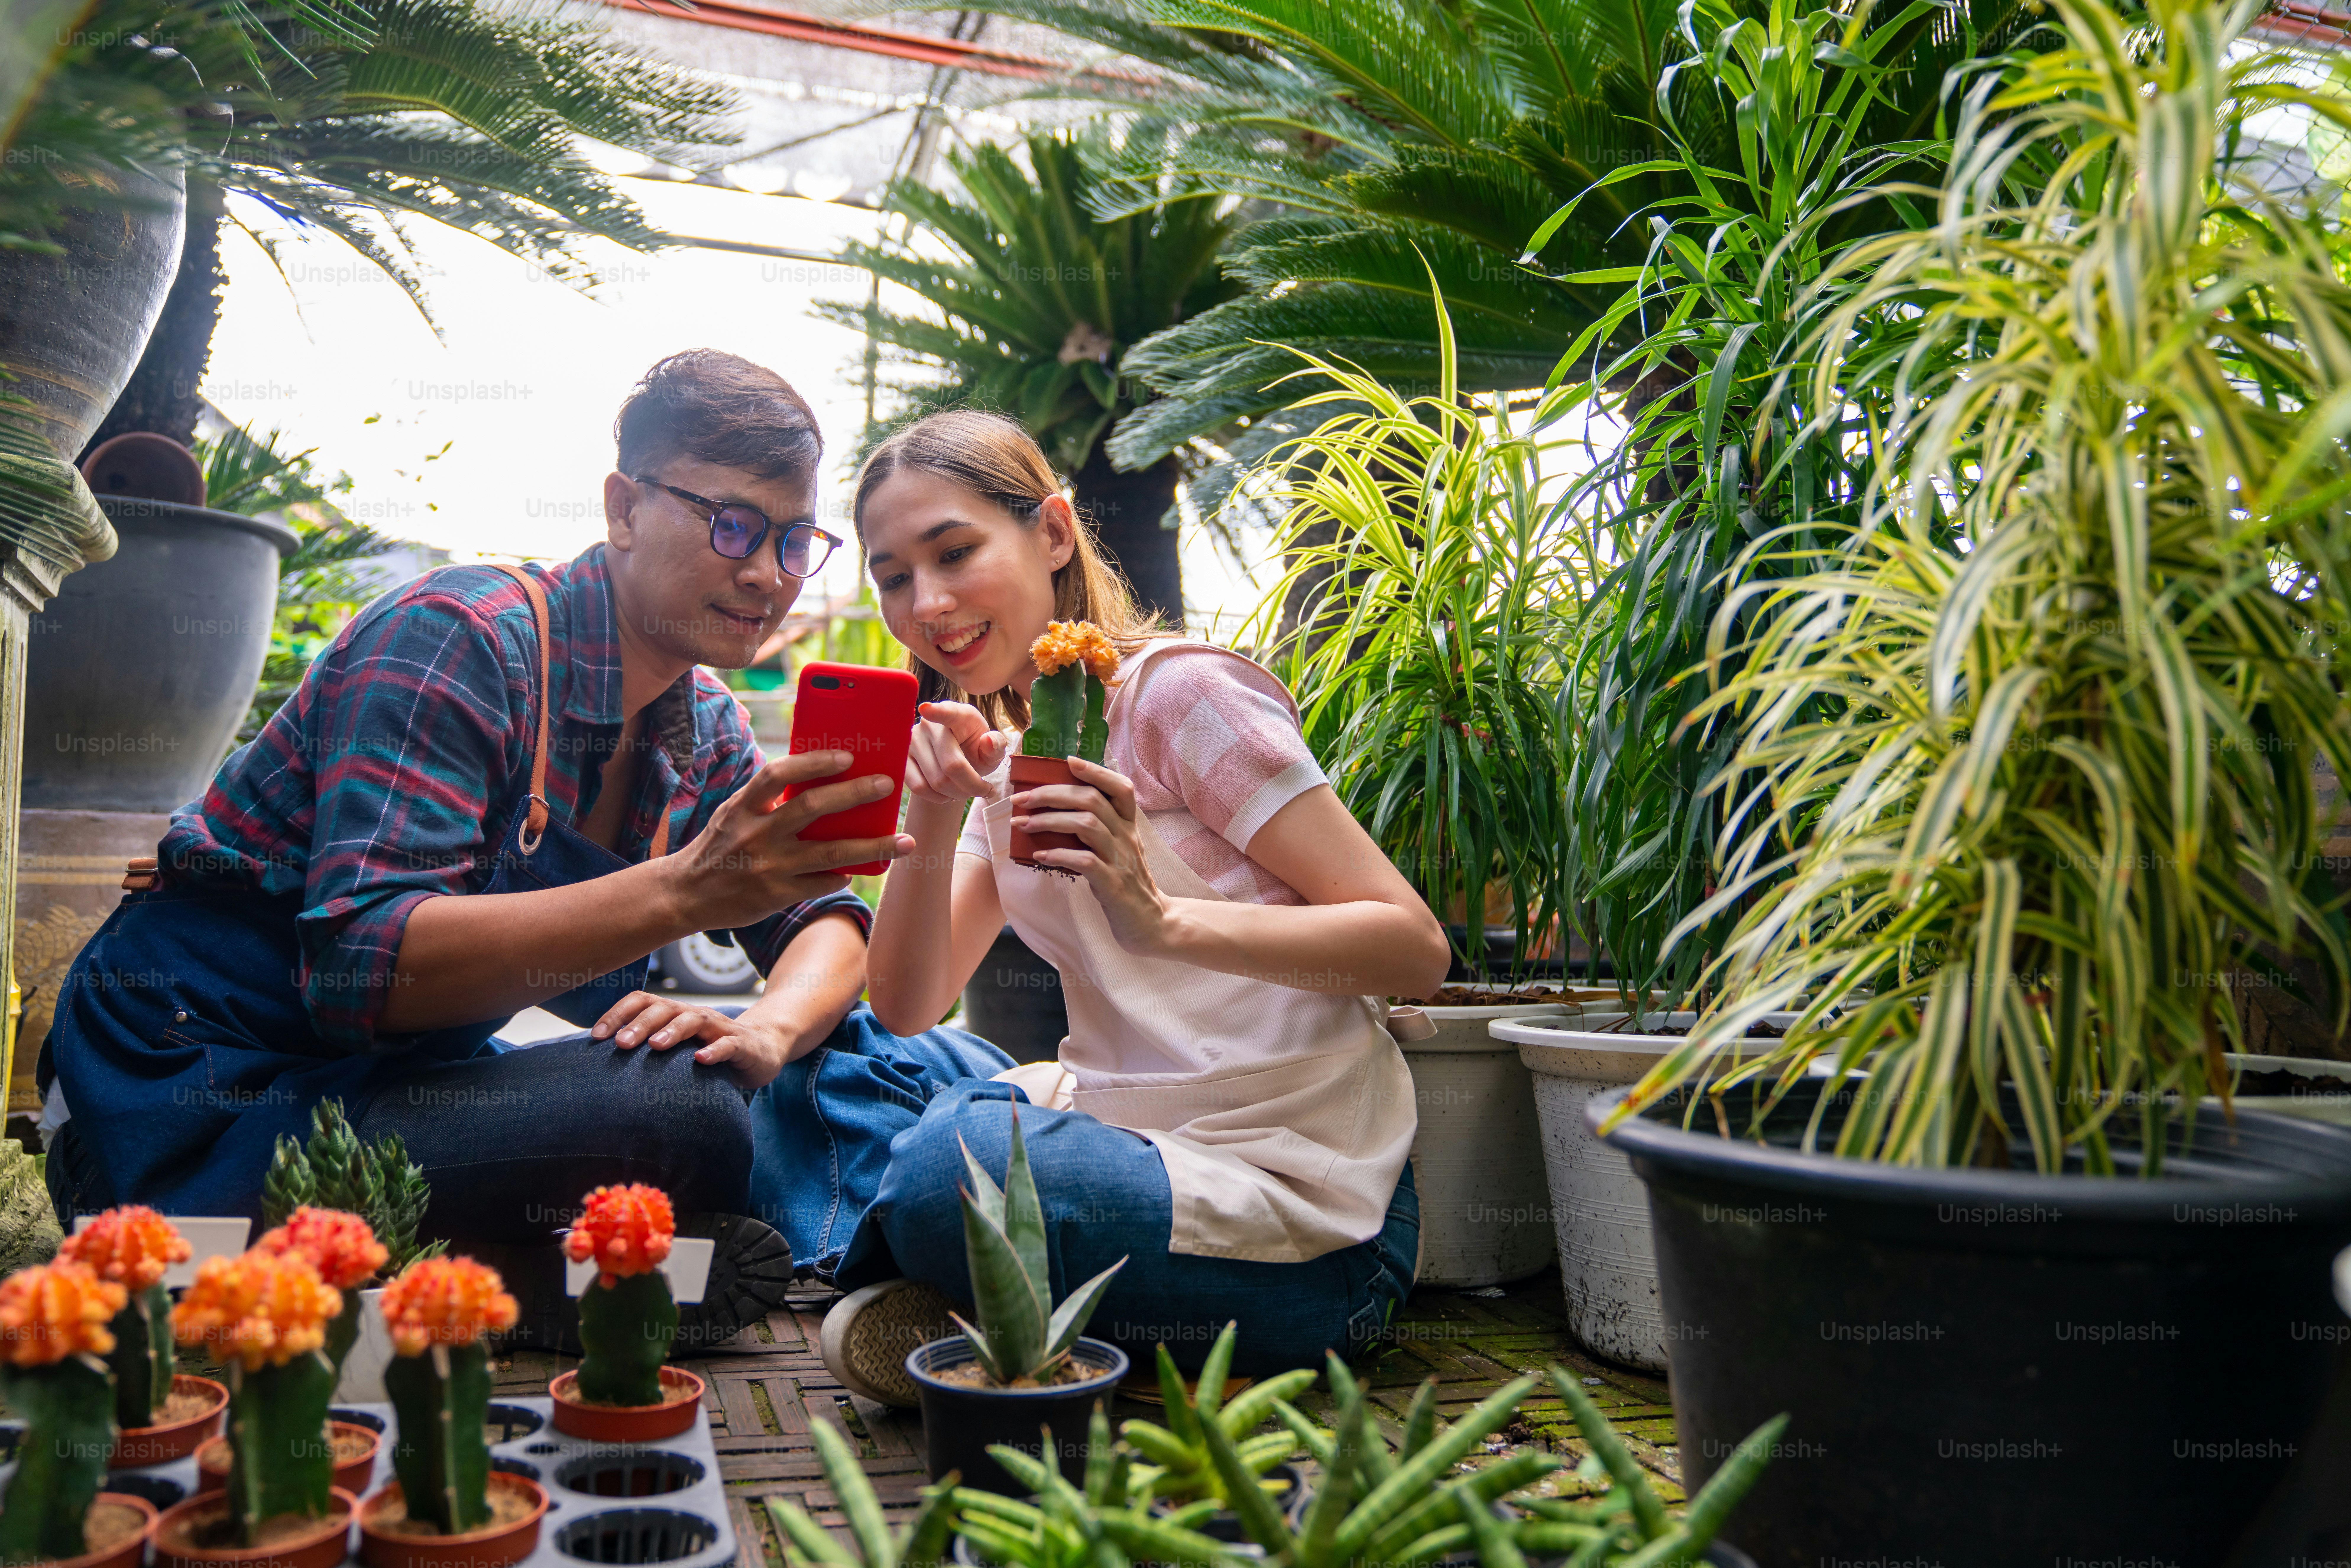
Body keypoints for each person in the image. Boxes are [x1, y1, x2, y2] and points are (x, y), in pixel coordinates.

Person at [40, 350, 1010, 1348]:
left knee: (800, 1069)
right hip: (196, 1091)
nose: (766, 573)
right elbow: (358, 970)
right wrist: (686, 889)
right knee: (685, 1115)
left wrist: (766, 1029)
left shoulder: (703, 726)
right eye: (731, 524)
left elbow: (827, 923)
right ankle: (453, 1271)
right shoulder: (458, 638)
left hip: (401, 1087)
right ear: (624, 508)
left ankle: (456, 1270)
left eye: (794, 540)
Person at [766, 409, 1449, 1405]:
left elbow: (1414, 947)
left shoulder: (1179, 697)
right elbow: (908, 1003)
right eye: (895, 575)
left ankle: (933, 1280)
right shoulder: (1003, 760)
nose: (929, 602)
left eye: (954, 553)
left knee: (952, 1161)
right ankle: (962, 1282)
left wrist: (1160, 919)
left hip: (1301, 1221)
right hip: (1116, 1133)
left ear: (1052, 533)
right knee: (826, 1058)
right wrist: (935, 806)